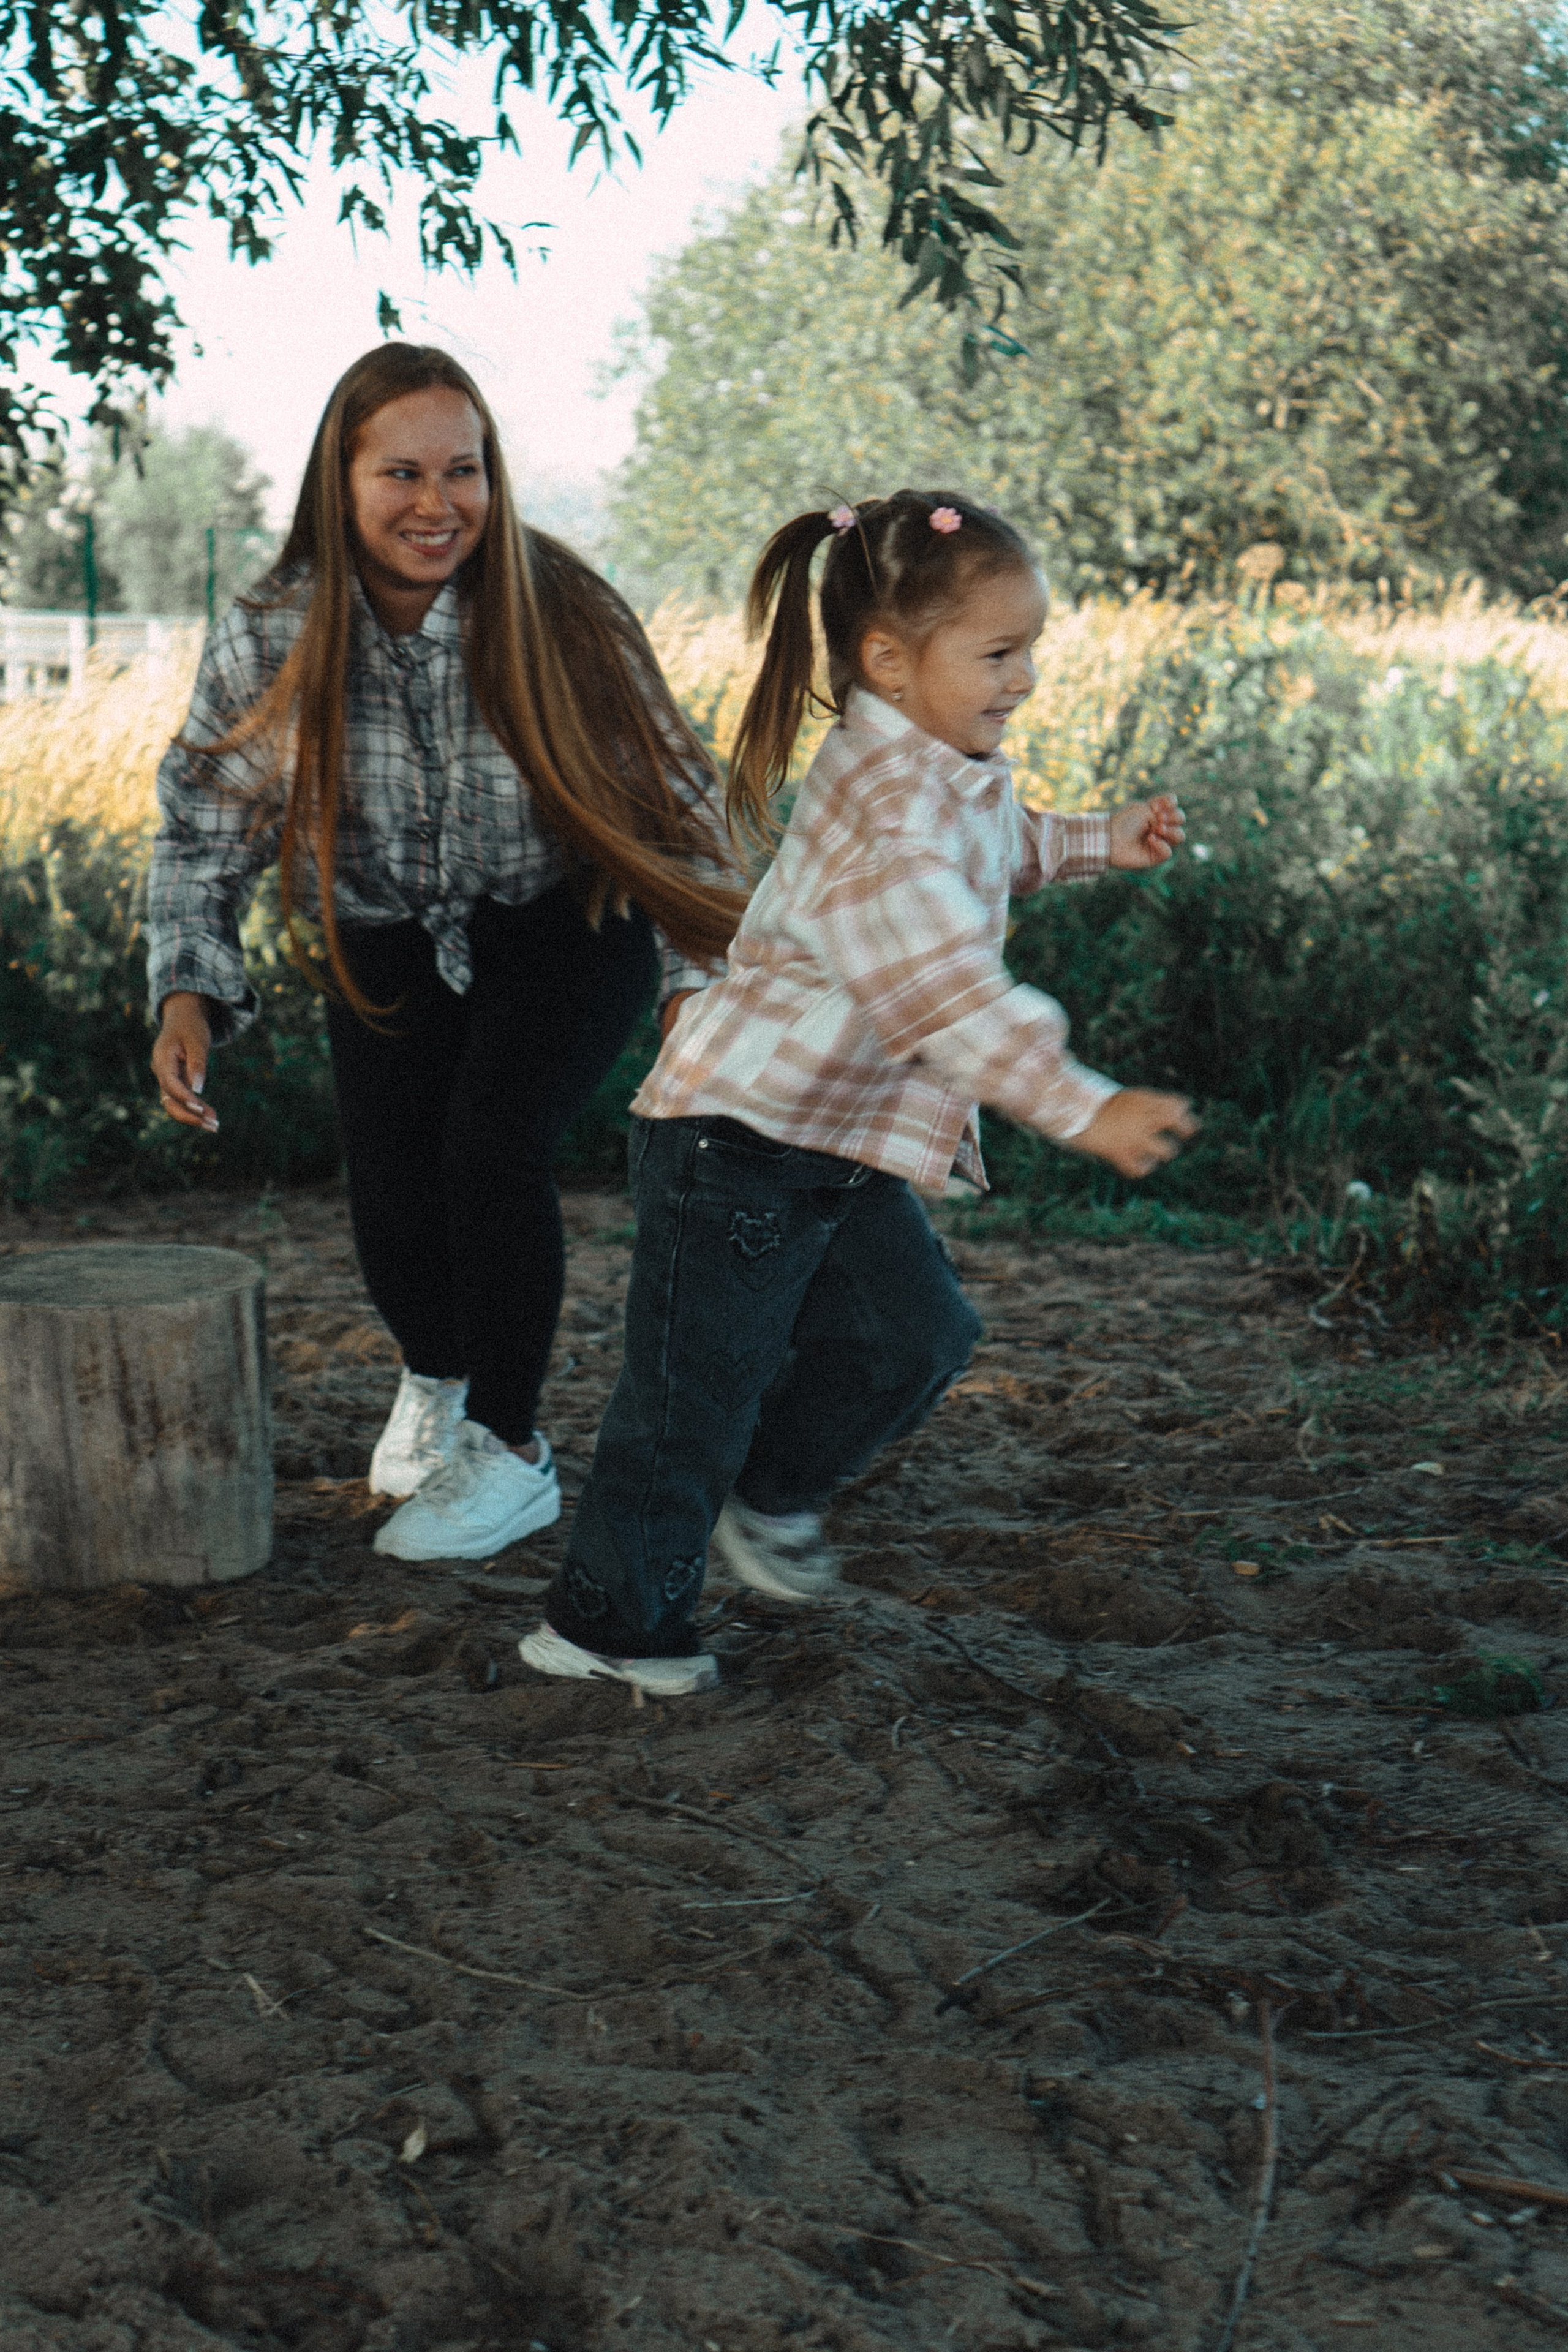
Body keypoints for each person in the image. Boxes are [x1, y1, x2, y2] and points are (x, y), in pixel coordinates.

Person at [518, 489, 1199, 1697]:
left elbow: (1003, 846)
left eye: (1028, 647)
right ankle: (604, 1624)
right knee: (693, 1399)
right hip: (734, 1144)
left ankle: (769, 1494)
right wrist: (1079, 1103)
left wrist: (1101, 840)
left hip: (832, 1145)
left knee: (917, 1338)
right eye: (998, 653)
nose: (1024, 677)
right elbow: (945, 996)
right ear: (887, 658)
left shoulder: (945, 771)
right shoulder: (878, 815)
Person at [146, 344, 742, 1562]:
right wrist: (187, 992)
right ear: (341, 481)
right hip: (382, 936)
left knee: (488, 1148)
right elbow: (204, 823)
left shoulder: (559, 611)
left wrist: (698, 983)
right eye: (402, 473)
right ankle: (438, 1380)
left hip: (565, 921)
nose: (437, 503)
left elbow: (683, 800)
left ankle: (511, 1454)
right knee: (392, 1200)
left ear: (493, 477)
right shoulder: (272, 635)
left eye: (461, 471)